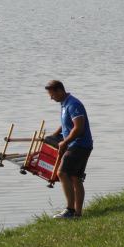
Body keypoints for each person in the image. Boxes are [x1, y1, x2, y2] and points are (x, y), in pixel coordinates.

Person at [44, 80, 93, 219]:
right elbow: (66, 123)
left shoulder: (73, 104)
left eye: (52, 94)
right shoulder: (65, 104)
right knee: (76, 178)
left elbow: (78, 127)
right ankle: (78, 213)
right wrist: (55, 135)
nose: (51, 98)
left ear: (60, 90)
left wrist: (64, 142)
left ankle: (69, 211)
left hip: (78, 144)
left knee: (62, 173)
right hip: (80, 145)